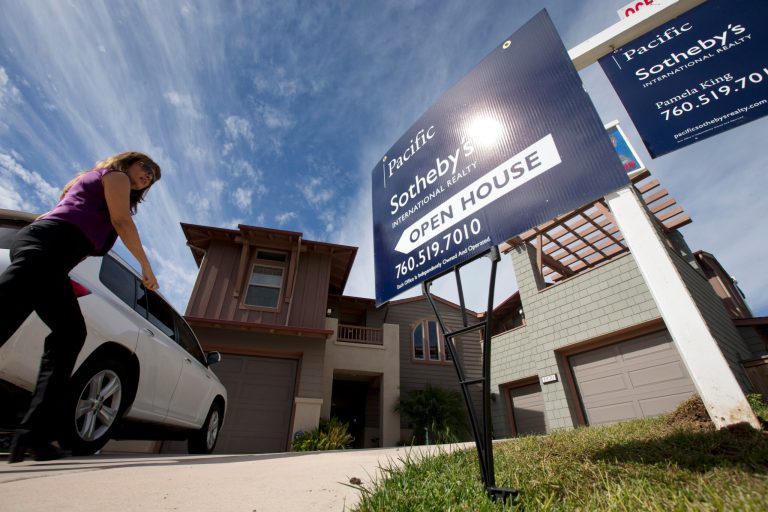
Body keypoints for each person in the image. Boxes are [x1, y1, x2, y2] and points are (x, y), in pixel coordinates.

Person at [0, 151, 161, 463]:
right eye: (146, 168)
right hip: (47, 247)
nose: (148, 177)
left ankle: (34, 434)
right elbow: (120, 220)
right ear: (128, 161)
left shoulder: (91, 182)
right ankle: (34, 434)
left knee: (71, 333)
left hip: (54, 255)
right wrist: (145, 265)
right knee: (5, 316)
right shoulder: (114, 177)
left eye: (152, 177)